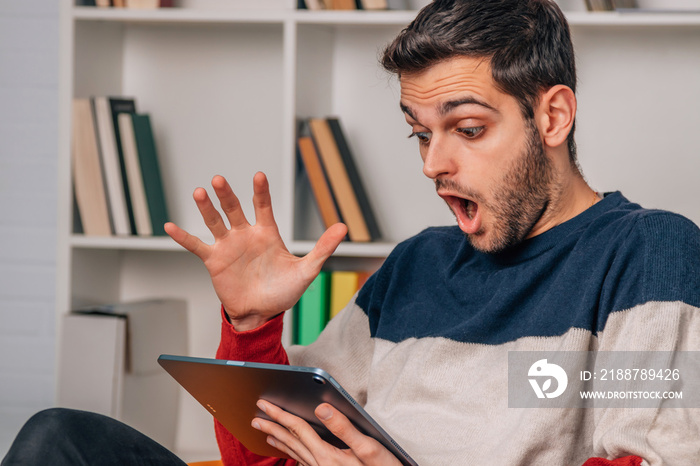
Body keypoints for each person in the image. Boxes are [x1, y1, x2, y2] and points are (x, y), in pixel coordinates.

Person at [4, 0, 700, 465]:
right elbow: (275, 454)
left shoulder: (650, 254)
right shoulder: (415, 265)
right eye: (419, 134)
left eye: (467, 130)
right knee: (56, 439)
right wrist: (251, 326)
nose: (434, 164)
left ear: (552, 118)